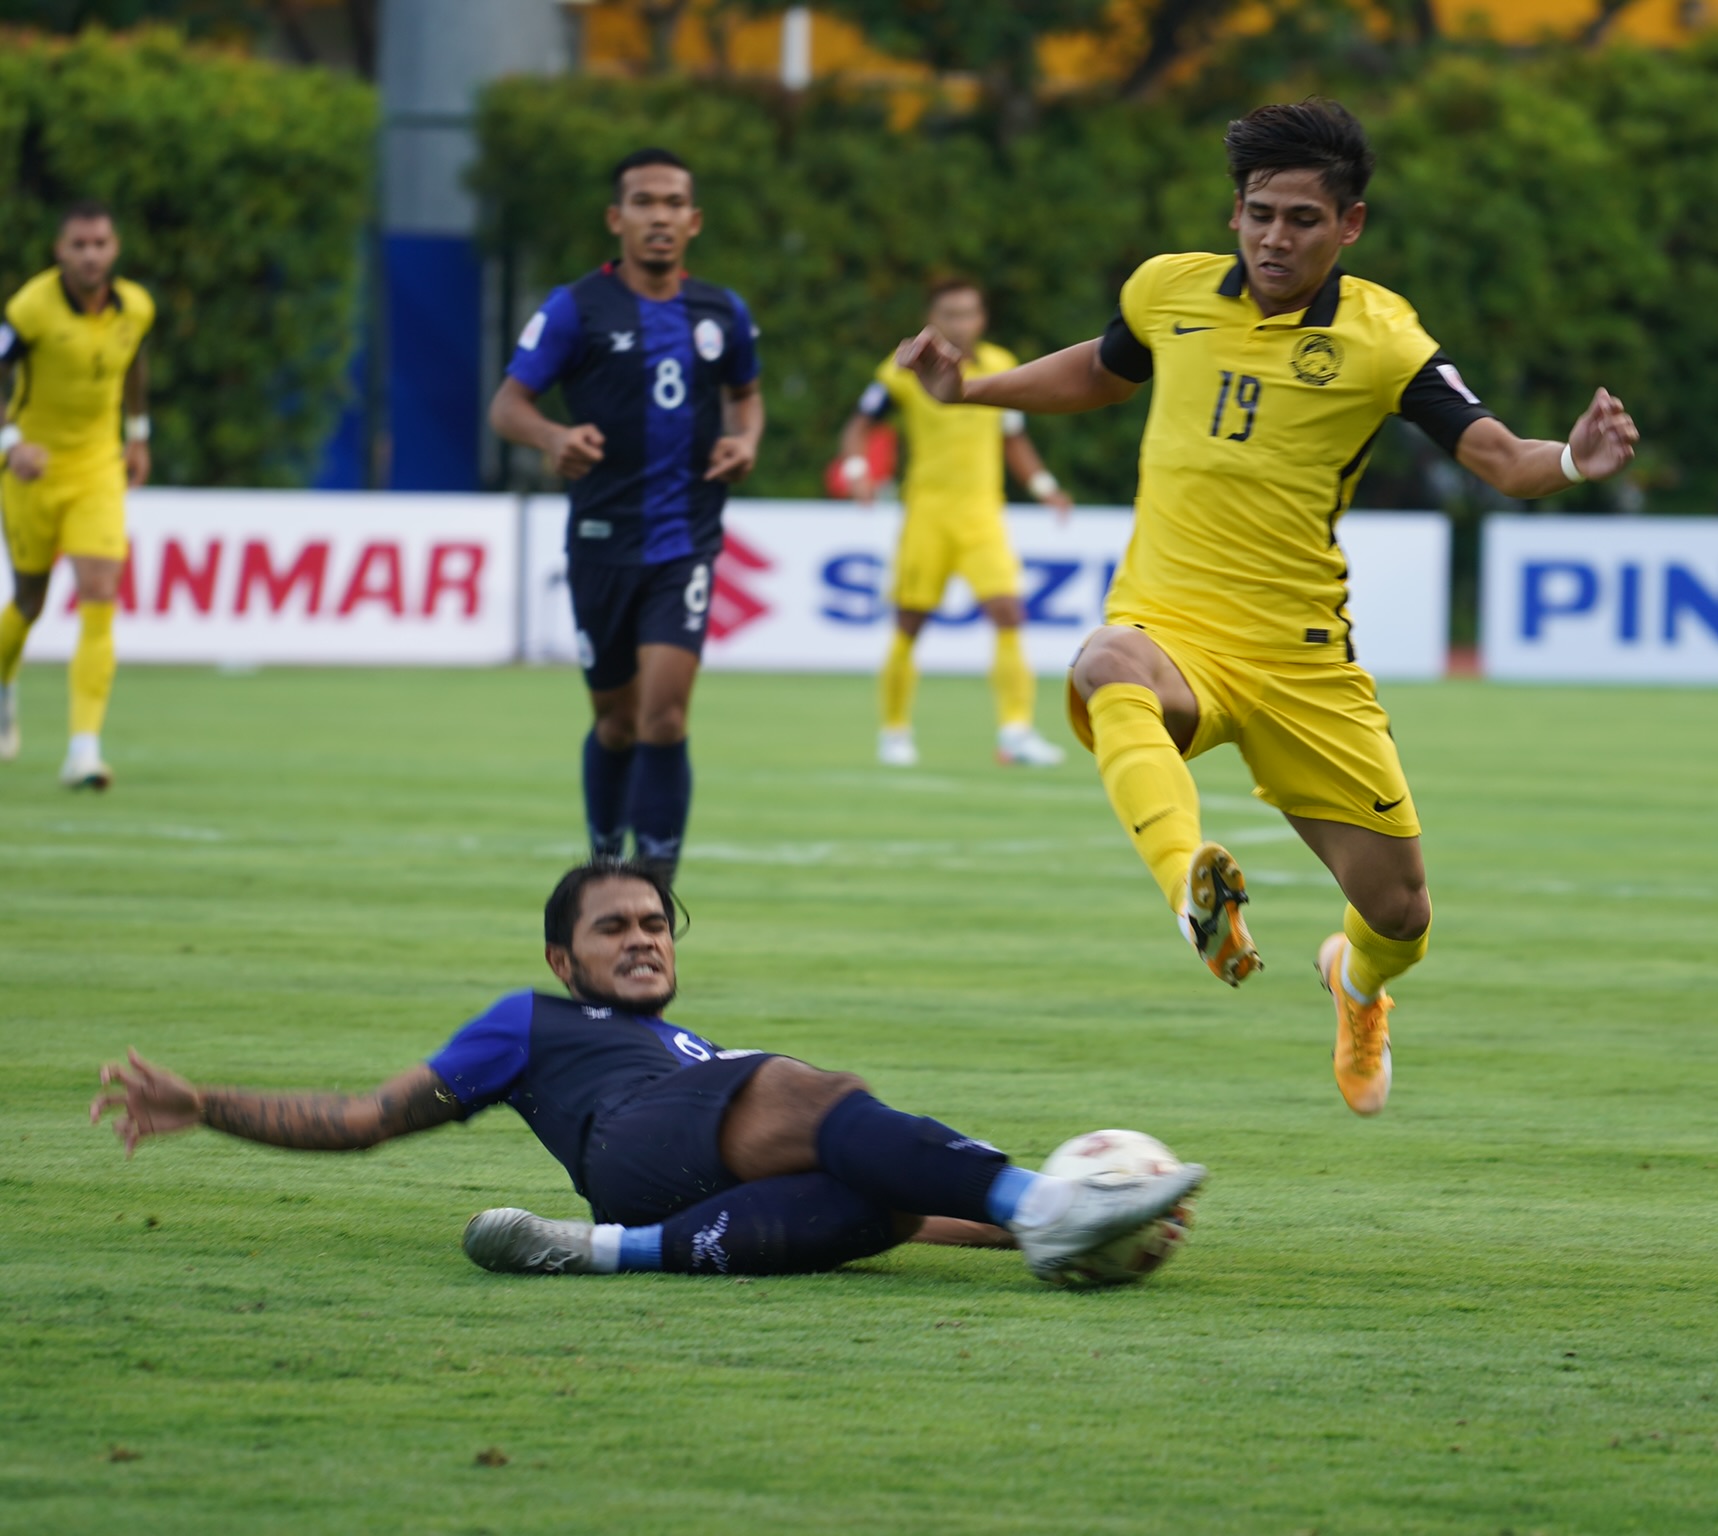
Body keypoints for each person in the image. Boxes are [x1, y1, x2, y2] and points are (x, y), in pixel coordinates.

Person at [898, 100, 1640, 1116]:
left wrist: (1571, 460)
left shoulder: (1384, 339)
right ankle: (1190, 888)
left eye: (1299, 218)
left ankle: (1357, 983)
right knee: (1107, 661)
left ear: (1350, 225)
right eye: (1257, 214)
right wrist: (971, 396)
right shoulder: (1171, 292)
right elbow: (1103, 370)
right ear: (1235, 213)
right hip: (1173, 629)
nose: (1273, 237)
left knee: (1401, 911)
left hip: (1302, 663)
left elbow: (1499, 458)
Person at [90, 858, 1206, 1282]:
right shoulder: (523, 1023)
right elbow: (363, 1117)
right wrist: (205, 1102)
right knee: (817, 1091)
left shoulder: (690, 1049)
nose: (642, 937)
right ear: (560, 956)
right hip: (634, 1141)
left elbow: (917, 1210)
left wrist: (1034, 1232)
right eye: (613, 925)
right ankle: (1044, 1200)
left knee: (874, 1209)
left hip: (663, 1189)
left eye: (657, 924)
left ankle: (598, 1255)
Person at [488, 148, 765, 883]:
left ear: (694, 220)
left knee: (664, 716)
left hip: (686, 543)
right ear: (618, 219)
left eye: (674, 203)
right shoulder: (574, 309)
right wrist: (553, 436)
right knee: (615, 721)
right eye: (644, 202)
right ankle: (606, 861)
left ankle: (657, 885)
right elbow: (508, 405)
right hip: (603, 543)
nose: (660, 217)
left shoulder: (722, 311)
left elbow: (747, 395)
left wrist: (747, 441)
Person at [838, 277, 1074, 769]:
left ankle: (1015, 732)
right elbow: (861, 425)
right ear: (933, 318)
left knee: (1009, 612)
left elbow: (1014, 437)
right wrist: (859, 471)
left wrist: (1045, 487)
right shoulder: (903, 370)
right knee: (910, 623)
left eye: (968, 313)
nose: (959, 323)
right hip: (927, 513)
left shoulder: (1001, 366)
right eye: (949, 313)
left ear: (981, 318)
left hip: (982, 514)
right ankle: (895, 732)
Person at [0, 201, 156, 787]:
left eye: (100, 244)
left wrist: (138, 434)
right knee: (30, 603)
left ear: (114, 249)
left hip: (97, 467)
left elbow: (135, 360)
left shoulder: (136, 308)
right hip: (31, 470)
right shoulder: (29, 310)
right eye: (79, 245)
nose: (91, 255)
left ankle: (83, 750)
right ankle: (3, 681)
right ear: (59, 252)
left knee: (100, 590)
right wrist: (12, 442)